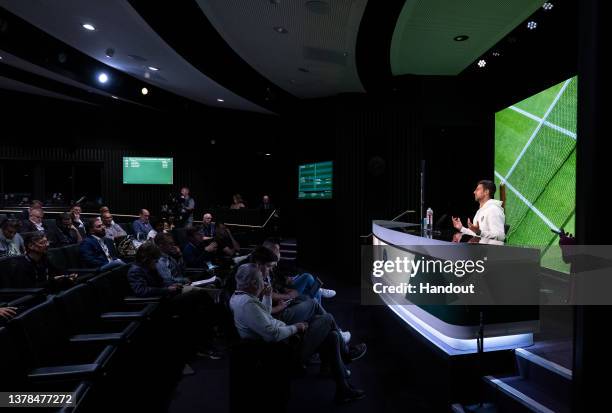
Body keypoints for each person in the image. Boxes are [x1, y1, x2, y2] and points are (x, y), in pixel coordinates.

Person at [230, 263, 366, 403]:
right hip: (282, 350)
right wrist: (296, 327)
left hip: (283, 341)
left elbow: (264, 315)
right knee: (327, 319)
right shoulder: (248, 305)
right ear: (253, 283)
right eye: (260, 279)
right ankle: (346, 355)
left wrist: (267, 296)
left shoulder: (239, 297)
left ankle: (343, 389)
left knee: (333, 336)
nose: (263, 282)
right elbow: (272, 334)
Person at [127, 241, 222, 359]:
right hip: (157, 304)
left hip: (167, 297)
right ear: (147, 258)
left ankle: (212, 331)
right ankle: (208, 337)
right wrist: (167, 290)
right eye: (155, 260)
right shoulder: (135, 270)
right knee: (197, 296)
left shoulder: (149, 267)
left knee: (200, 298)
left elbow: (162, 282)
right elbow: (141, 291)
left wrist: (173, 285)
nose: (157, 262)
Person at [10, 232, 77, 290]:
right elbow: (29, 288)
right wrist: (52, 281)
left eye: (47, 242)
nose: (47, 245)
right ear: (30, 246)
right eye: (42, 243)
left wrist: (68, 276)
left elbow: (58, 271)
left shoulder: (44, 258)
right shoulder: (22, 266)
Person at [452, 180, 506, 245]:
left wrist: (479, 232)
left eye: (477, 189)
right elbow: (477, 235)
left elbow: (500, 236)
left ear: (486, 192)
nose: (474, 192)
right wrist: (461, 228)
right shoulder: (479, 211)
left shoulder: (493, 209)